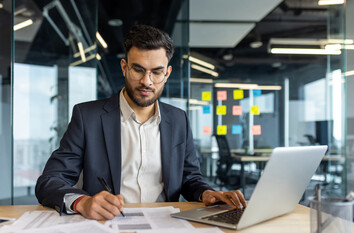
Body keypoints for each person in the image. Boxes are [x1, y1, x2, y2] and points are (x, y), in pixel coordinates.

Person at [35, 24, 246, 220]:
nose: (147, 81)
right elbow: (50, 181)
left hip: (166, 225)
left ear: (167, 73)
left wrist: (206, 193)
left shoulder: (178, 119)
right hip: (108, 224)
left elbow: (190, 179)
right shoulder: (87, 116)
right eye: (138, 70)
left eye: (156, 72)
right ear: (124, 67)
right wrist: (82, 202)